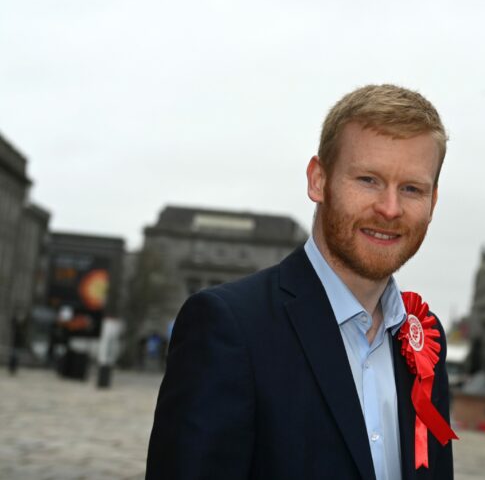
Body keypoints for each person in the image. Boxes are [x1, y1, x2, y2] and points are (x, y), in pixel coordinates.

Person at [146, 84, 455, 479]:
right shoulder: (229, 326)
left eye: (412, 189)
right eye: (368, 180)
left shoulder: (424, 340)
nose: (390, 209)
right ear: (317, 181)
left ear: (433, 202)